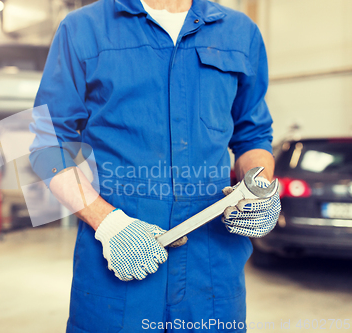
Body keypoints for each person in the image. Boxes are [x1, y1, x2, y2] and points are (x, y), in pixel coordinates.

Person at [29, 0, 281, 331]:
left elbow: (253, 135)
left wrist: (258, 189)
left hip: (213, 272)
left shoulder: (240, 31)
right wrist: (107, 223)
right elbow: (48, 144)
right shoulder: (82, 29)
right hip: (117, 269)